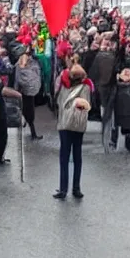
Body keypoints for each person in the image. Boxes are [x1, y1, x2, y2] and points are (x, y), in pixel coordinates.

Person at [53, 62, 93, 200]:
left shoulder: (63, 87)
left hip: (64, 124)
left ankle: (63, 189)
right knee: (77, 156)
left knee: (64, 157)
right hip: (78, 125)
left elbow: (57, 102)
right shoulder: (86, 88)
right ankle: (76, 188)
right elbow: (86, 106)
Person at [105, 68, 130, 154]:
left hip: (117, 113)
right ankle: (128, 145)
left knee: (115, 127)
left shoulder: (115, 88)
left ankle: (113, 142)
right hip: (129, 115)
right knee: (128, 129)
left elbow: (110, 100)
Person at [14, 48, 43, 140]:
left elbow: (17, 80)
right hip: (28, 93)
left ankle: (31, 129)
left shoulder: (18, 67)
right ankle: (33, 133)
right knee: (30, 112)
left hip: (23, 92)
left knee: (27, 111)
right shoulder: (31, 66)